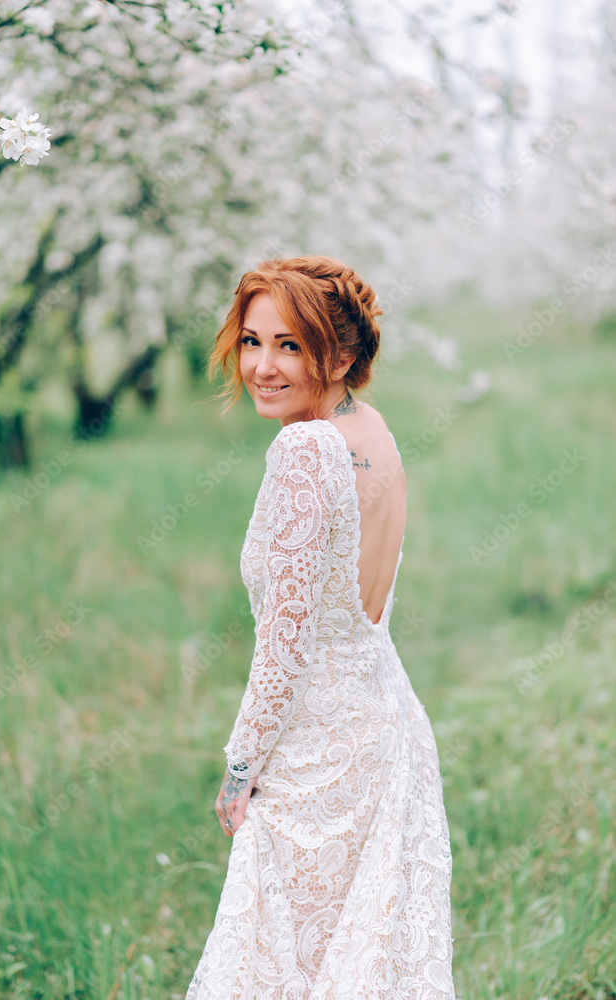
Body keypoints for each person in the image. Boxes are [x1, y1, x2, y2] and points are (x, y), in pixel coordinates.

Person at [185, 255, 456, 999]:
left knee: (278, 966)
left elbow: (285, 638)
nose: (262, 367)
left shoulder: (306, 450)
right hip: (386, 722)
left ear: (339, 355)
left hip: (318, 754)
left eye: (289, 345)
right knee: (355, 962)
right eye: (251, 341)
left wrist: (242, 768)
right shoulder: (368, 428)